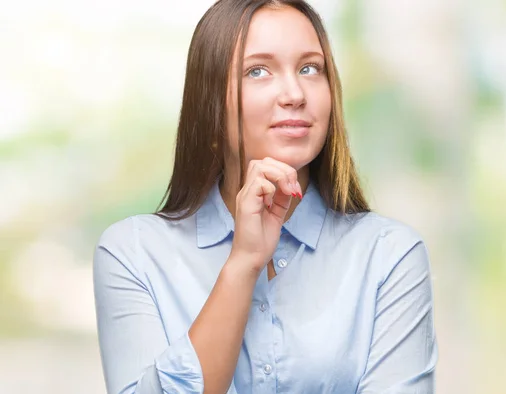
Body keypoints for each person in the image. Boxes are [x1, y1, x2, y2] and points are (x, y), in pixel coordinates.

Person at [93, 0, 438, 393]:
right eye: (258, 71)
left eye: (310, 68)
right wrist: (243, 264)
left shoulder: (389, 256)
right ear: (209, 105)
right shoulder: (133, 253)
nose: (294, 93)